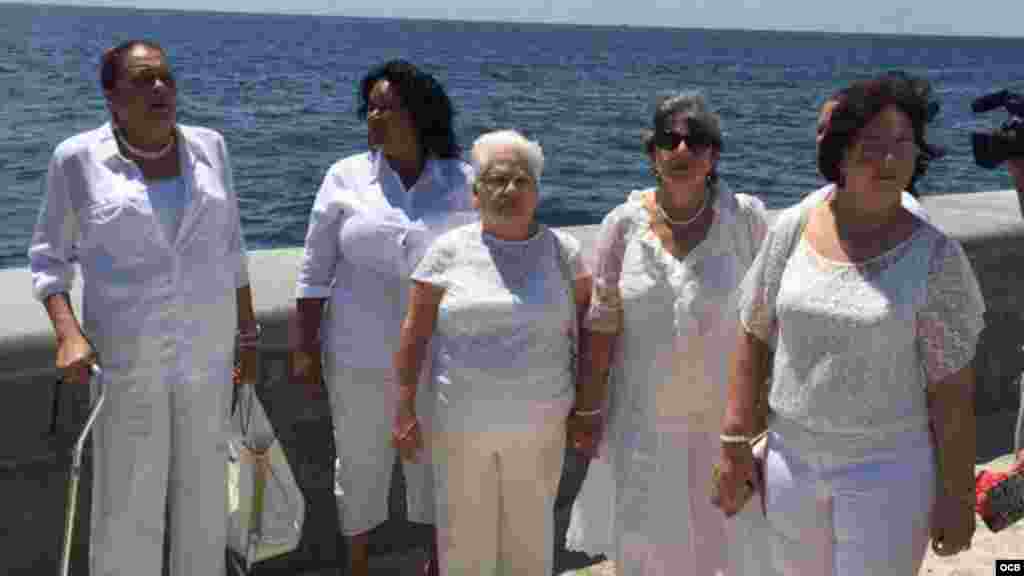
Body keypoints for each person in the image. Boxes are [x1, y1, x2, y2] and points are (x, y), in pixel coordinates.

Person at [714, 74, 985, 575]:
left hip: (888, 471)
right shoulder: (793, 227)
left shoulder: (936, 258)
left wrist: (956, 495)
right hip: (790, 460)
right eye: (872, 145)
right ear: (840, 153)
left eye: (902, 144)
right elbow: (753, 335)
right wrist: (733, 444)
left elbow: (952, 393)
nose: (888, 160)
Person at [28, 40, 258, 575]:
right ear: (111, 96)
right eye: (142, 79)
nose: (160, 88)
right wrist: (69, 334)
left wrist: (248, 337)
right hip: (128, 363)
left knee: (204, 503)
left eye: (166, 78)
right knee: (126, 507)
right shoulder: (77, 159)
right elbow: (48, 261)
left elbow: (232, 249)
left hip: (207, 357)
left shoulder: (211, 147)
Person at [564, 92, 771, 575]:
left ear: (713, 155)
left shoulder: (746, 221)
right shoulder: (622, 225)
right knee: (647, 551)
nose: (681, 150)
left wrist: (761, 416)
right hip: (642, 423)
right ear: (653, 153)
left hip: (726, 425)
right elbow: (601, 323)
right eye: (668, 140)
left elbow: (768, 322)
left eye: (695, 141)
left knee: (732, 549)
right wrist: (589, 410)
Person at [292, 59, 475, 576]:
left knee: (439, 468)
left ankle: (435, 566)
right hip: (357, 354)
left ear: (419, 113)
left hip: (443, 355)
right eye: (369, 107)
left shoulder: (463, 180)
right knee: (357, 467)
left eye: (387, 107)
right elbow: (313, 273)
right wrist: (305, 350)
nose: (374, 117)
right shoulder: (344, 177)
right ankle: (358, 567)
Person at [392, 129, 593, 575]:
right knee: (463, 541)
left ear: (537, 192)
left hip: (541, 426)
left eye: (522, 180)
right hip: (459, 425)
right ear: (476, 193)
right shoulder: (448, 252)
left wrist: (588, 407)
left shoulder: (565, 254)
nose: (510, 190)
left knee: (530, 537)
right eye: (497, 180)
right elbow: (414, 333)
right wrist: (404, 408)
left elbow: (587, 333)